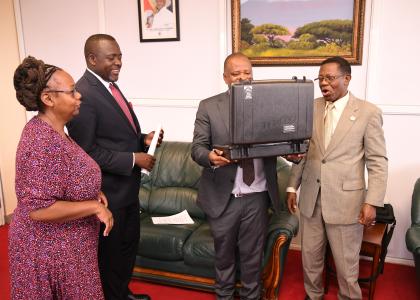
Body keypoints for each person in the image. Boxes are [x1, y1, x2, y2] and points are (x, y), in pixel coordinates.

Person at [9, 56, 113, 299]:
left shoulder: (55, 131)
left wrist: (90, 190)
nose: (79, 96)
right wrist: (92, 206)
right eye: (72, 91)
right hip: (49, 252)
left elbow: (62, 176)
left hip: (70, 249)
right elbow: (38, 209)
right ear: (48, 99)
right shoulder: (40, 140)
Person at [67, 34, 162, 300]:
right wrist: (134, 159)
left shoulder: (109, 85)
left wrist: (142, 140)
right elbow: (86, 152)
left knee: (126, 250)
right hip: (108, 195)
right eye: (112, 58)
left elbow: (113, 135)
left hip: (127, 191)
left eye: (120, 56)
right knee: (110, 256)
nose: (119, 62)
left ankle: (122, 293)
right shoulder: (83, 94)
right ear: (92, 59)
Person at [286, 56, 388, 300]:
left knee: (346, 264)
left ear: (347, 79)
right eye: (320, 78)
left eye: (330, 78)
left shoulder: (368, 112)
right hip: (312, 198)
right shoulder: (311, 107)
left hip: (346, 202)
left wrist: (372, 201)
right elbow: (305, 151)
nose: (324, 83)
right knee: (310, 257)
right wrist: (292, 186)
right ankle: (313, 295)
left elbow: (378, 161)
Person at [191, 53, 281, 300]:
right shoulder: (209, 106)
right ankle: (224, 296)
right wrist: (210, 157)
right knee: (224, 256)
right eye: (236, 73)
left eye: (247, 72)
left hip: (258, 196)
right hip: (224, 196)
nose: (242, 77)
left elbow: (278, 143)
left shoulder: (268, 106)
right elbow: (197, 147)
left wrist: (291, 153)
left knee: (253, 258)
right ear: (225, 78)